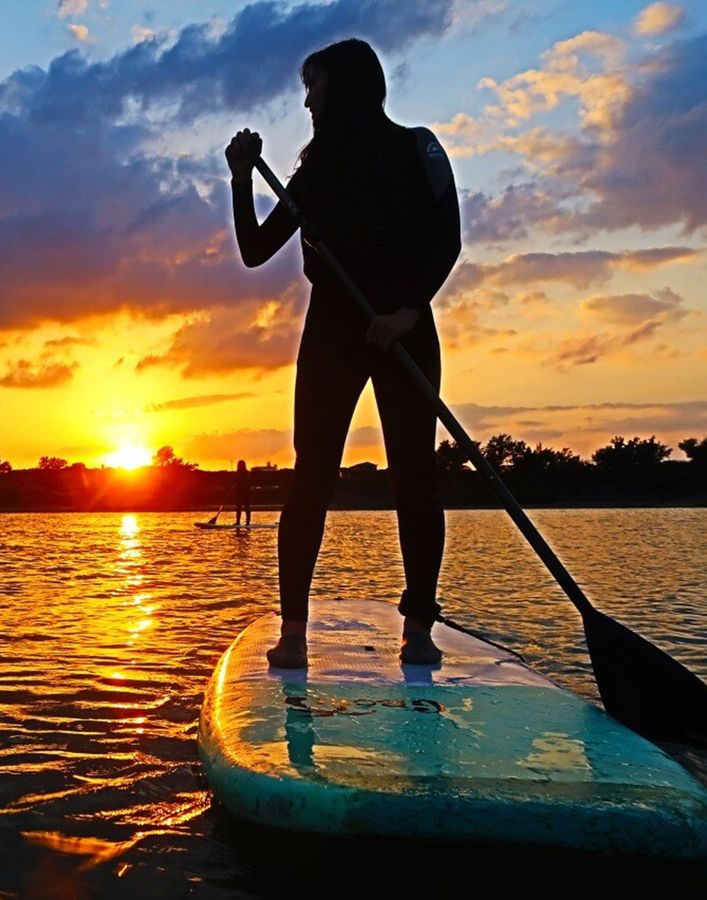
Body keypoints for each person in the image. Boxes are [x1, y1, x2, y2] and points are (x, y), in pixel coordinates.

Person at [224, 38, 460, 667]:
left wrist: (408, 310)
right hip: (334, 329)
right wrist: (241, 178)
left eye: (314, 87)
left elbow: (447, 239)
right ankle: (293, 633)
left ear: (345, 88)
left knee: (415, 474)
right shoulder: (316, 170)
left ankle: (418, 627)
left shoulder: (419, 148)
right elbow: (255, 250)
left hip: (406, 328)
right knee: (313, 475)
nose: (307, 101)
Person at [233, 459, 252, 526]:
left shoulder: (247, 473)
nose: (239, 466)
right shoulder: (237, 473)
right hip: (239, 493)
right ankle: (238, 522)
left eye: (240, 465)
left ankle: (248, 522)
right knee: (238, 508)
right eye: (238, 465)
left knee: (247, 507)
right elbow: (235, 481)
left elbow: (248, 482)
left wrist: (241, 480)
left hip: (246, 493)